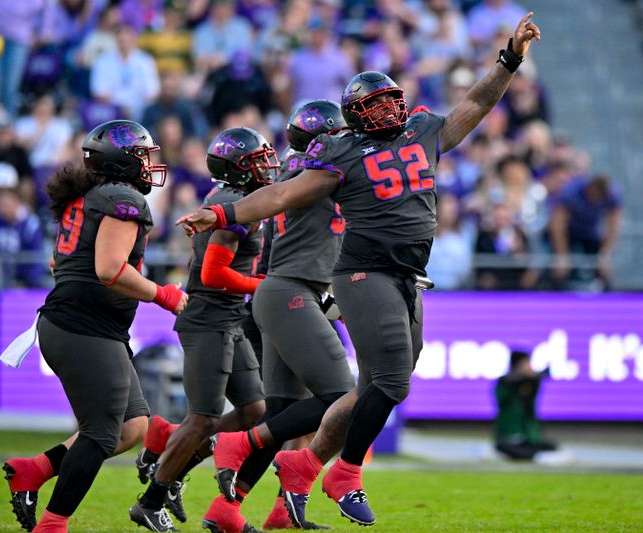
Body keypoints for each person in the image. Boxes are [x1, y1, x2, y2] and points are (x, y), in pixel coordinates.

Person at [177, 13, 541, 527]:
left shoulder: (422, 130)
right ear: (354, 115)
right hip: (360, 272)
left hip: (404, 274)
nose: (391, 106)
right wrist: (220, 212)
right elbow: (282, 192)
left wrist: (509, 58)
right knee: (386, 379)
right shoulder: (341, 152)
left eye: (393, 97)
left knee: (383, 382)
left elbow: (477, 102)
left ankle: (294, 467)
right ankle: (342, 470)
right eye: (376, 103)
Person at [1, 120, 186, 533]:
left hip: (81, 324)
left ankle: (32, 470)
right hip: (85, 329)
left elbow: (59, 264)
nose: (148, 164)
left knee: (131, 427)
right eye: (141, 155)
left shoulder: (90, 197)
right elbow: (108, 269)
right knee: (101, 434)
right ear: (120, 161)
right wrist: (164, 295)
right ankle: (53, 524)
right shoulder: (121, 199)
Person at [204, 100, 354, 533]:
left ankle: (229, 510)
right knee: (340, 399)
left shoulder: (295, 169)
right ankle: (238, 442)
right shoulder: (321, 175)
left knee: (285, 410)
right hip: (293, 291)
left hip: (283, 290)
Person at [130, 127, 278, 532]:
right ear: (238, 168)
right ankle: (151, 499)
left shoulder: (237, 200)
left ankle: (169, 452)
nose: (267, 166)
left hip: (229, 317)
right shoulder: (233, 204)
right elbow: (213, 274)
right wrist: (264, 285)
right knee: (203, 418)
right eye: (257, 160)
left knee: (253, 410)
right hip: (210, 317)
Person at [494, 350, 557, 460]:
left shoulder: (531, 382)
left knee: (550, 447)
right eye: (526, 363)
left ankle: (530, 455)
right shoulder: (505, 382)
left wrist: (531, 377)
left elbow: (545, 374)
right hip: (509, 437)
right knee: (504, 447)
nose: (530, 366)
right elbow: (504, 392)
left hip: (528, 438)